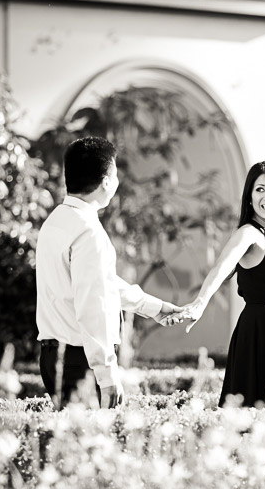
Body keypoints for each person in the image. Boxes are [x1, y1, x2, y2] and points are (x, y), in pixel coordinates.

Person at [35, 137, 183, 409]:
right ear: (106, 182)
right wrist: (107, 374)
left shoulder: (55, 221)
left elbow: (100, 284)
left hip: (52, 355)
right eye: (115, 175)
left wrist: (153, 307)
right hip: (80, 361)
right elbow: (94, 305)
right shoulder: (88, 231)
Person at [167, 161, 265, 407]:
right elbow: (221, 268)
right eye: (260, 189)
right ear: (249, 197)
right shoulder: (249, 234)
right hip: (259, 335)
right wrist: (200, 302)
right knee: (253, 416)